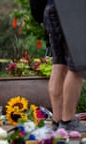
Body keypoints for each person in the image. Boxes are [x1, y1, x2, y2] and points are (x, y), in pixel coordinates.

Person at [43, 0, 86, 132]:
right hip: (73, 10)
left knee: (59, 64)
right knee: (78, 66)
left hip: (51, 8)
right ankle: (67, 121)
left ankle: (58, 120)